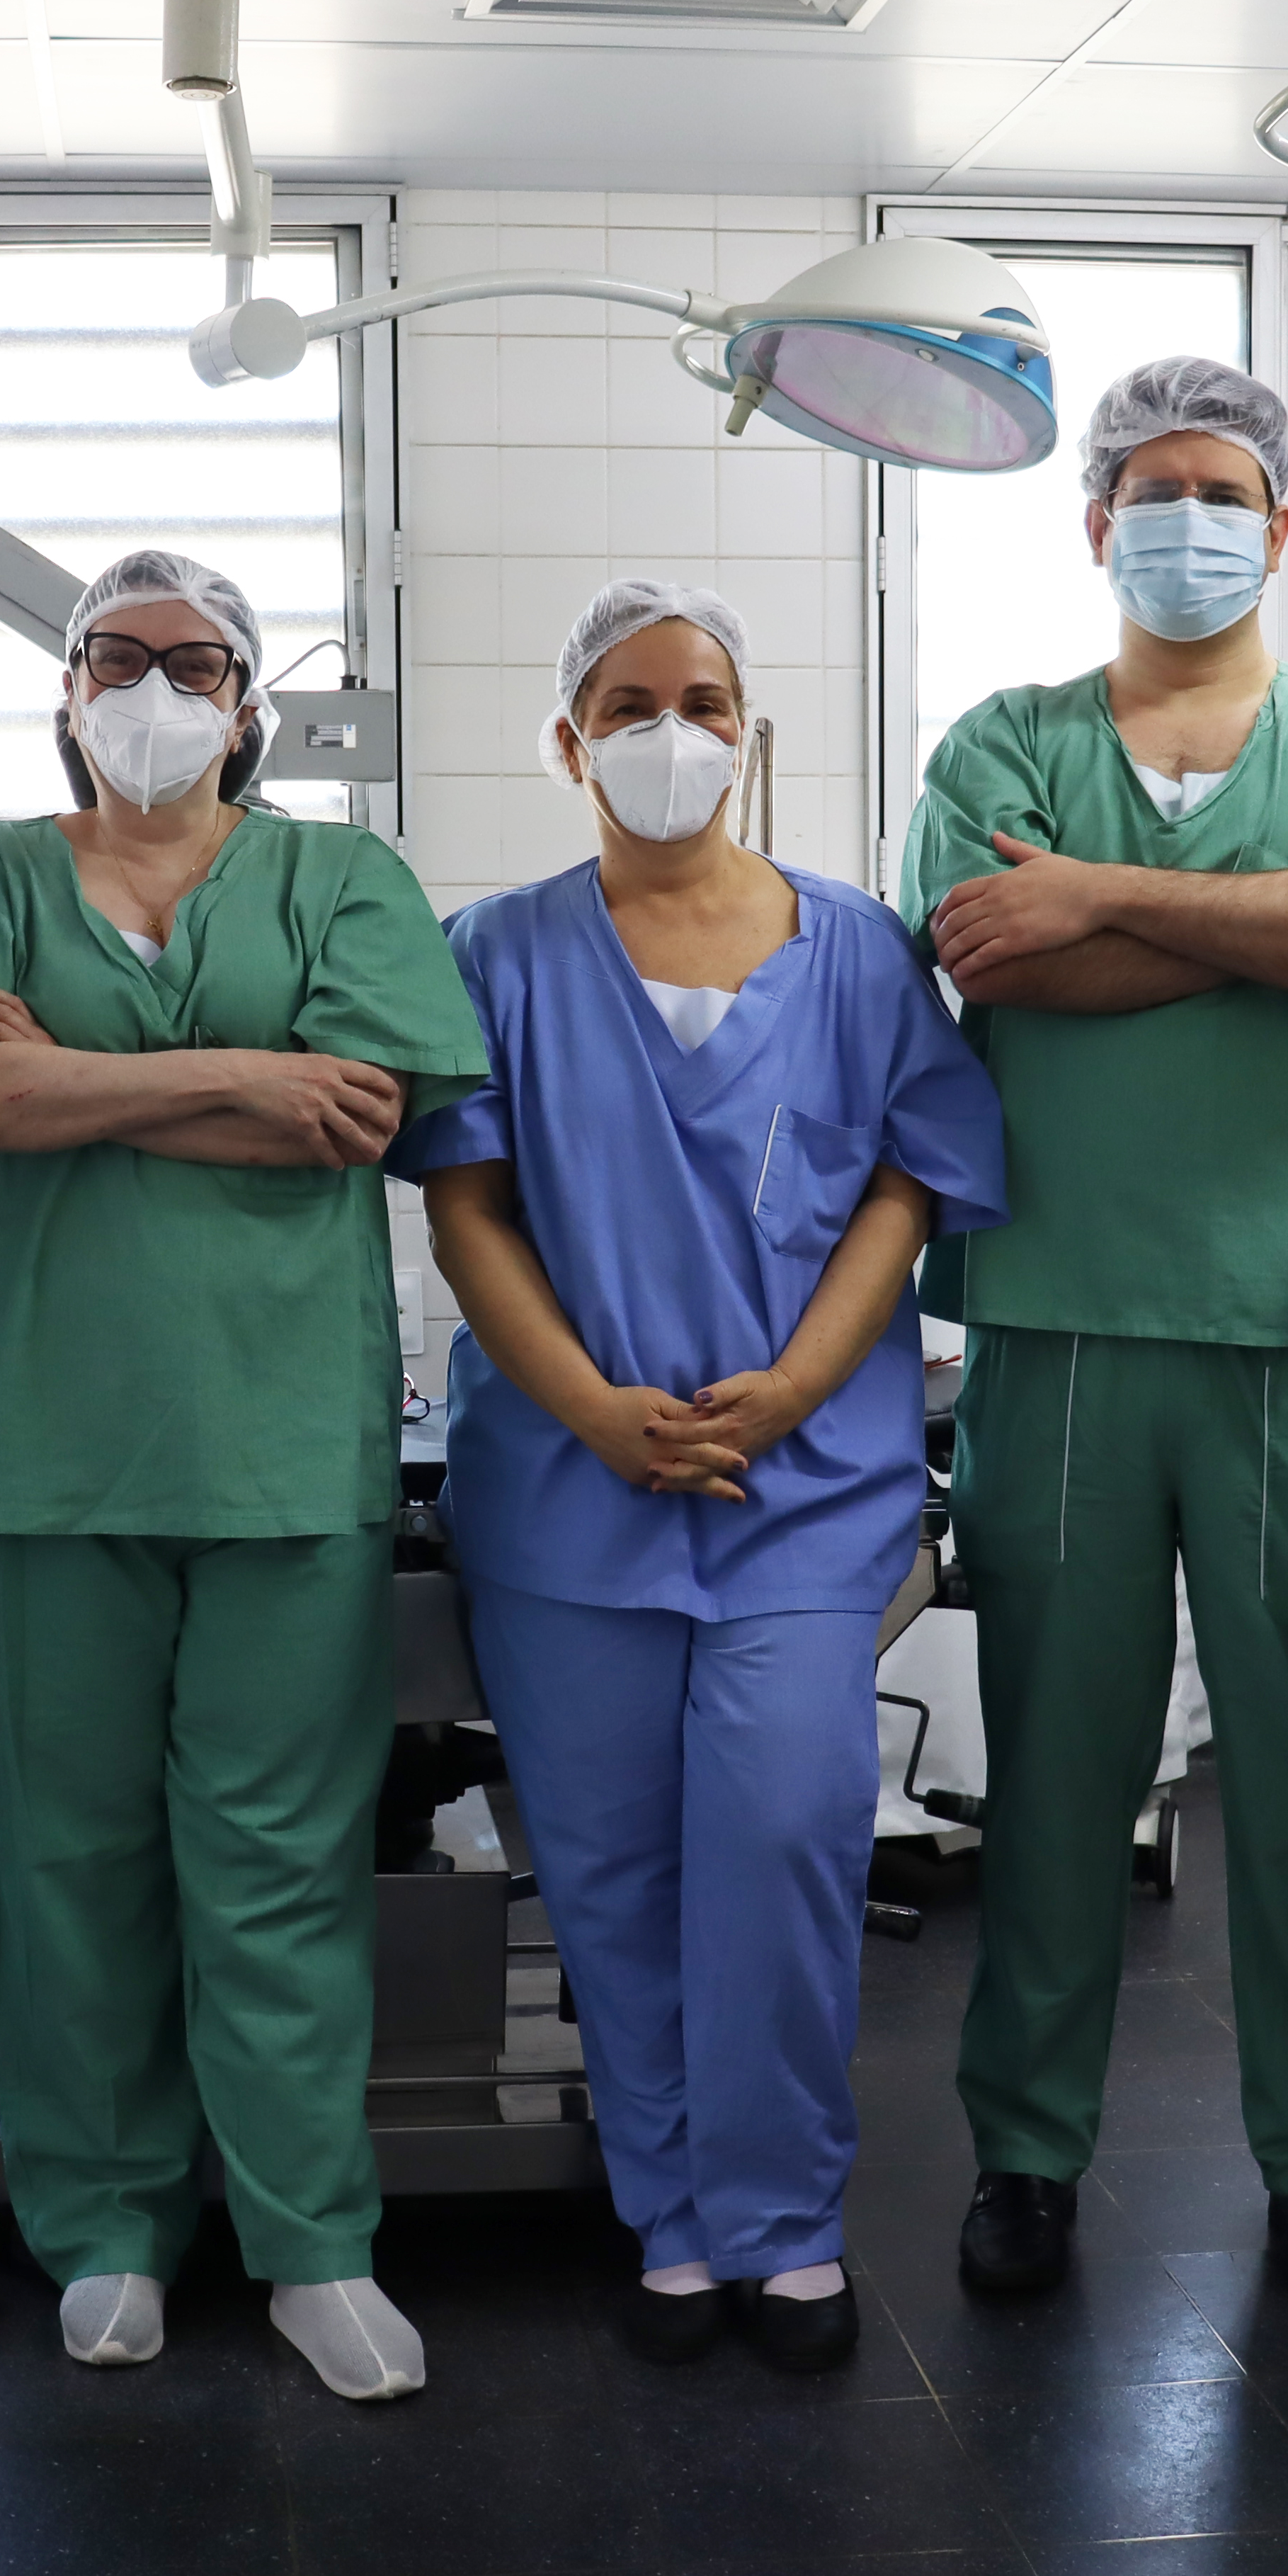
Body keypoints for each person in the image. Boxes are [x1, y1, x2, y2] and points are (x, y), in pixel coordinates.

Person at [900, 356, 1288, 2313]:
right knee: (1061, 1771)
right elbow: (998, 959)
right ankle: (1026, 2151)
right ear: (1094, 522)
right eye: (1153, 487)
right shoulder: (999, 741)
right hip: (1062, 1323)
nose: (1189, 518)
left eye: (1224, 487)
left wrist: (1107, 909)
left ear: (1281, 522)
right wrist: (1275, 905)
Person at [392, 582, 1004, 2371]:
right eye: (633, 701)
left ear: (752, 732)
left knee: (784, 1836)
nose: (675, 731)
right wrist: (585, 1402)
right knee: (609, 1867)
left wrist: (806, 1378)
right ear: (569, 739)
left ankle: (782, 2213)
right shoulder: (493, 950)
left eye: (708, 699)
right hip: (572, 1490)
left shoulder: (861, 948)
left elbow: (907, 1176)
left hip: (799, 1492)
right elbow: (468, 1202)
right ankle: (670, 2209)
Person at [0, 549, 486, 2402]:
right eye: (115, 656)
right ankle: (106, 2230)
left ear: (250, 705)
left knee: (281, 1858)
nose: (153, 688)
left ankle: (311, 2236)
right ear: (64, 689)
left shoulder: (344, 875)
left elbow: (371, 1106)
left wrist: (78, 1070)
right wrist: (242, 1078)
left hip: (282, 1444)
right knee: (66, 1860)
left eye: (195, 662)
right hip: (51, 1442)